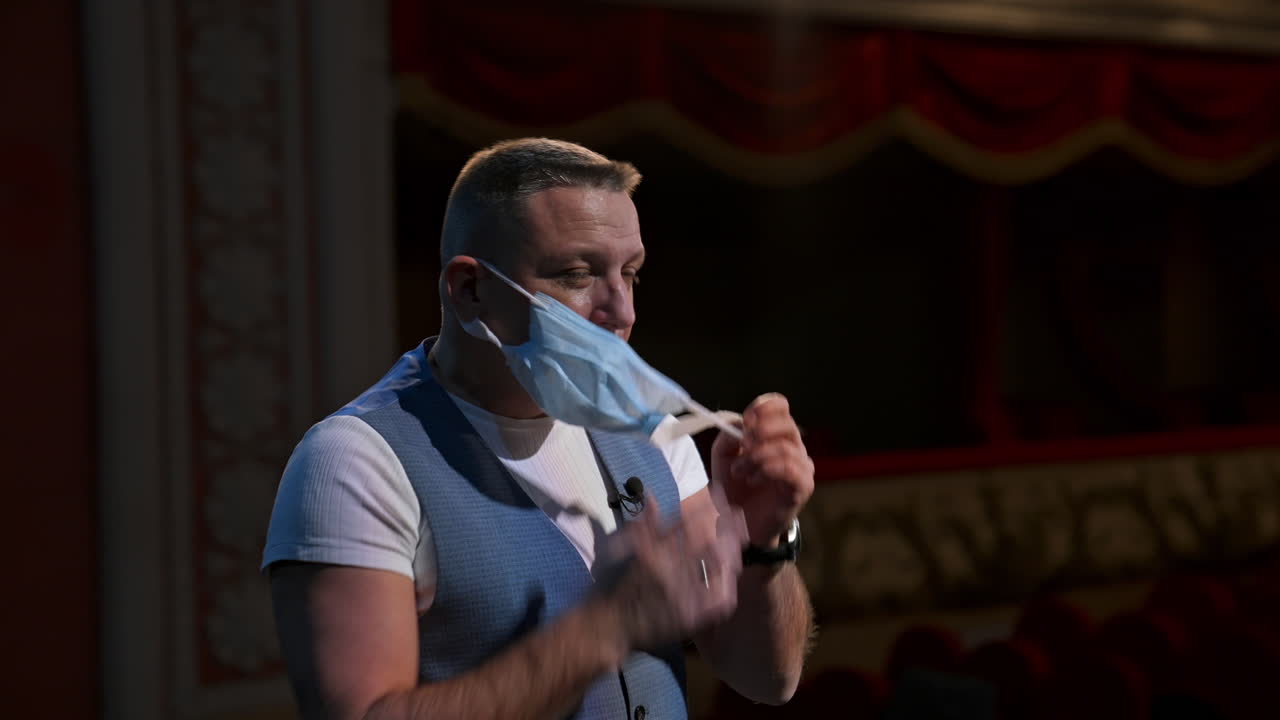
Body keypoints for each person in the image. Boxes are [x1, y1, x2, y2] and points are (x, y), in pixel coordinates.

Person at [264, 138, 816, 720]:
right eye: (578, 274)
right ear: (469, 289)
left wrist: (763, 540)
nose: (622, 310)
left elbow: (767, 678)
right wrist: (605, 629)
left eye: (630, 273)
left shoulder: (654, 433)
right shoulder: (356, 460)